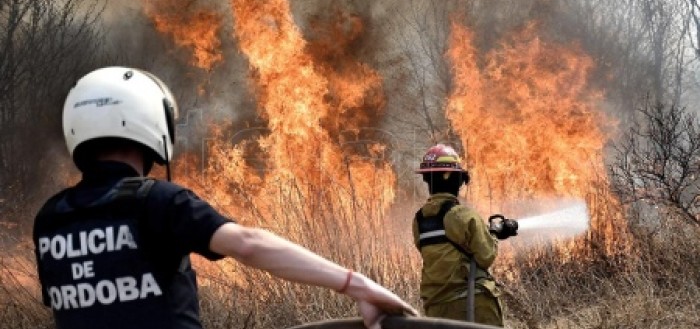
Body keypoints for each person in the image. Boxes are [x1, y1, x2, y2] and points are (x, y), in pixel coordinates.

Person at [32, 67, 418, 329]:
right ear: (151, 121)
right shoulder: (159, 202)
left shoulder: (50, 219)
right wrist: (358, 285)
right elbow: (248, 245)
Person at [412, 144, 517, 327]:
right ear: (450, 177)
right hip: (471, 304)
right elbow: (486, 256)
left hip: (436, 309)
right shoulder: (463, 215)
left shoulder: (419, 219)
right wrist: (493, 233)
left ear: (427, 180)